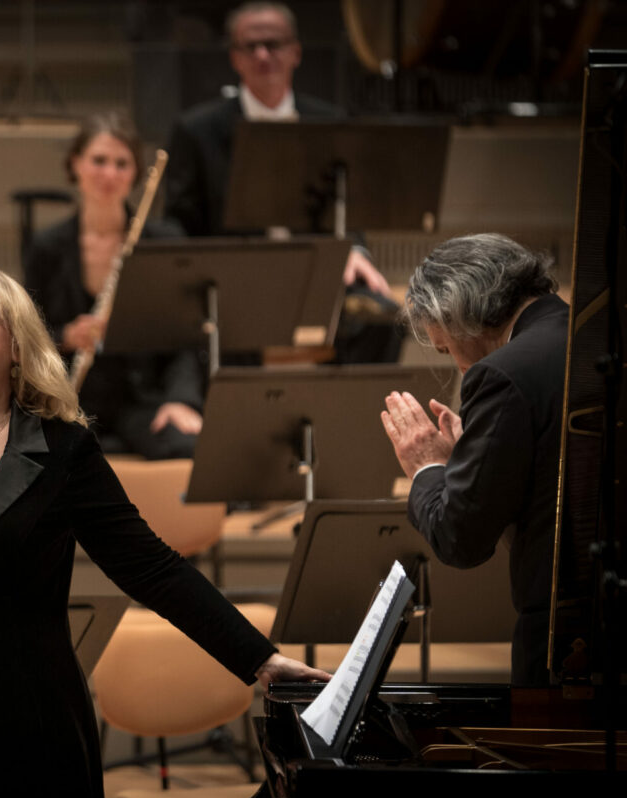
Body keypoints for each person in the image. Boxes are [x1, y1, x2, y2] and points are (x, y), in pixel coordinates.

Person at [0, 265, 328, 798]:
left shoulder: (64, 451)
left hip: (32, 725)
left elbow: (151, 568)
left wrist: (258, 658)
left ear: (16, 346)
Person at [163, 1, 400, 363]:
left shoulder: (329, 122)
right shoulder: (196, 130)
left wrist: (354, 250)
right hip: (236, 281)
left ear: (295, 53)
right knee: (212, 337)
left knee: (384, 320)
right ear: (235, 58)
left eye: (273, 44)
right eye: (250, 46)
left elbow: (346, 207)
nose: (262, 55)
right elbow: (179, 219)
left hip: (315, 275)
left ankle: (343, 415)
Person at [380, 233, 568, 685]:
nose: (460, 369)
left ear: (460, 316)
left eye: (446, 349)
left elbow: (461, 539)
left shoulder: (501, 374)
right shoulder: (585, 332)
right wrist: (483, 457)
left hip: (568, 633)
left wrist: (428, 468)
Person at [23, 113, 203, 459]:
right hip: (73, 399)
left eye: (122, 164)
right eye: (99, 160)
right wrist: (67, 336)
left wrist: (181, 400)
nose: (109, 174)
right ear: (75, 164)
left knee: (188, 445)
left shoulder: (162, 243)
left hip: (143, 400)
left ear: (136, 173)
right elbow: (27, 337)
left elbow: (188, 335)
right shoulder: (47, 247)